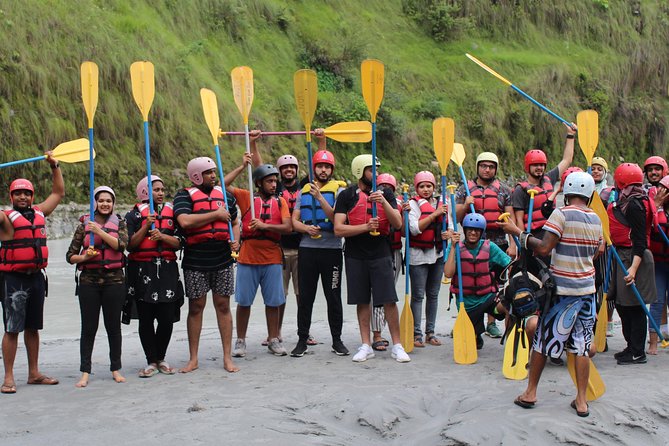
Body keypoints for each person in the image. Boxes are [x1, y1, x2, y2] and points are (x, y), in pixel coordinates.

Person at [499, 171, 602, 417]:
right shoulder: (596, 218)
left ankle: (530, 393)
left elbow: (544, 247)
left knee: (543, 341)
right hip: (587, 291)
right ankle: (581, 401)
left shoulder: (561, 213)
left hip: (563, 292)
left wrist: (519, 233)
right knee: (582, 345)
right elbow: (597, 252)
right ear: (589, 194)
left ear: (566, 192)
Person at [333, 154, 410, 363]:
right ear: (360, 171)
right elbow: (338, 228)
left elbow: (397, 223)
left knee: (388, 299)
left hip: (381, 252)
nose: (376, 174)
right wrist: (365, 227)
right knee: (362, 300)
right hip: (355, 254)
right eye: (371, 170)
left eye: (377, 169)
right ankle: (366, 344)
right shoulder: (346, 195)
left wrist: (383, 201)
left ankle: (397, 345)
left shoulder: (386, 193)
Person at [0, 155, 63, 395]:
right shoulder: (6, 219)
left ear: (32, 196)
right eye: (18, 193)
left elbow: (57, 193)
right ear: (11, 197)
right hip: (14, 280)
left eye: (27, 193)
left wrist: (54, 166)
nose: (23, 196)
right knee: (12, 329)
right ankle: (8, 377)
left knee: (33, 328)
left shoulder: (39, 213)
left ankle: (34, 373)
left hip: (36, 277)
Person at [173, 157, 239, 374]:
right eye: (209, 172)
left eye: (214, 172)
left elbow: (235, 221)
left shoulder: (225, 196)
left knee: (223, 306)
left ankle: (227, 357)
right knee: (196, 307)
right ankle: (193, 359)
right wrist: (215, 214)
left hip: (222, 258)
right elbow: (184, 221)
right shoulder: (184, 196)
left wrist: (236, 240)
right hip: (195, 261)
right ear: (196, 176)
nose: (213, 175)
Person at [227, 158, 292, 357]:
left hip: (272, 256)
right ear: (258, 183)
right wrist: (241, 165)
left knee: (273, 302)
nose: (274, 185)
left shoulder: (280, 201)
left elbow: (288, 227)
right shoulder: (246, 197)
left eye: (275, 181)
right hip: (248, 256)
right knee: (244, 302)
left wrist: (265, 226)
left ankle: (273, 339)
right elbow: (224, 184)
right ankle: (240, 340)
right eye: (269, 181)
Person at [290, 142, 349, 357]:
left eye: (327, 167)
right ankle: (302, 340)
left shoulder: (340, 191)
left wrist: (320, 198)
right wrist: (305, 227)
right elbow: (293, 222)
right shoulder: (302, 191)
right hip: (307, 250)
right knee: (306, 296)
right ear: (314, 168)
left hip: (331, 250)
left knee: (333, 295)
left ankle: (337, 340)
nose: (323, 170)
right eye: (319, 166)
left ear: (332, 170)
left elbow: (337, 219)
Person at [66, 186, 128, 388]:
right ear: (95, 203)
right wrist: (85, 257)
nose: (105, 204)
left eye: (108, 201)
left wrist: (99, 231)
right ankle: (85, 371)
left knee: (113, 327)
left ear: (113, 203)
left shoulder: (120, 222)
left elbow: (121, 245)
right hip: (89, 282)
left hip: (114, 282)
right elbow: (70, 256)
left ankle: (115, 368)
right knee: (89, 327)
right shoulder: (84, 225)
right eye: (101, 200)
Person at [125, 175, 184, 377]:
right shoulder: (133, 215)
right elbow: (129, 245)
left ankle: (161, 357)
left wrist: (163, 236)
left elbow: (180, 242)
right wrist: (145, 226)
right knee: (146, 318)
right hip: (142, 271)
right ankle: (151, 360)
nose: (160, 193)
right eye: (155, 189)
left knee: (166, 318)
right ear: (144, 192)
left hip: (166, 269)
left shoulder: (173, 213)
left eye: (161, 189)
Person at [456, 152, 516, 338]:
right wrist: (466, 205)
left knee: (495, 285)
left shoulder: (504, 190)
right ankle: (473, 323)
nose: (487, 169)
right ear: (477, 167)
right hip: (472, 243)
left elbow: (510, 218)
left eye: (491, 166)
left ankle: (491, 323)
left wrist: (513, 243)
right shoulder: (464, 189)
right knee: (473, 282)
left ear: (495, 169)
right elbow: (456, 217)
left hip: (497, 242)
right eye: (484, 166)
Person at [607, 163, 657, 365]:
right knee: (622, 304)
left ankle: (638, 352)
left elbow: (640, 241)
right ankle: (631, 346)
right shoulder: (628, 201)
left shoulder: (635, 205)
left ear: (620, 181)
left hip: (634, 258)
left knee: (634, 307)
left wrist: (633, 269)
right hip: (623, 255)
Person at [443, 213, 510, 349]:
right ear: (465, 230)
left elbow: (509, 263)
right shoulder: (455, 247)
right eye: (470, 230)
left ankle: (510, 339)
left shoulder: (489, 247)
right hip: (466, 302)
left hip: (487, 297)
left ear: (481, 232)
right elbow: (448, 273)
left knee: (509, 303)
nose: (473, 233)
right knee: (474, 343)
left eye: (477, 230)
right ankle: (475, 332)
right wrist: (454, 247)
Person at [511, 124, 576, 235]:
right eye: (535, 165)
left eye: (542, 165)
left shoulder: (549, 178)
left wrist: (570, 135)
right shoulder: (520, 190)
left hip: (552, 231)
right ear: (528, 167)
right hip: (533, 234)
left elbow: (567, 160)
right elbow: (519, 220)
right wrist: (523, 241)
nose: (539, 168)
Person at [408, 171, 447, 347]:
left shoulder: (442, 204)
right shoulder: (412, 205)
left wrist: (448, 233)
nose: (425, 189)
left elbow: (451, 226)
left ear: (434, 187)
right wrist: (433, 215)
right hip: (418, 256)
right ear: (417, 188)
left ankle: (430, 332)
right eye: (422, 186)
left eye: (429, 186)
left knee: (433, 294)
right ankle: (416, 333)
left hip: (437, 254)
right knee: (418, 296)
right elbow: (415, 229)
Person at [369, 173, 404, 351]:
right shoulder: (370, 203)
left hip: (395, 251)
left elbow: (404, 230)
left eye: (388, 188)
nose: (384, 191)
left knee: (388, 294)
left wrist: (406, 213)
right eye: (381, 187)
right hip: (377, 250)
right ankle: (376, 333)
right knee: (377, 294)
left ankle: (387, 331)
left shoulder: (398, 204)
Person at [649, 175, 669, 354]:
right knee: (657, 301)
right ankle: (653, 342)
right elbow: (646, 226)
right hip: (659, 263)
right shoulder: (655, 208)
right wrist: (656, 205)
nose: (661, 193)